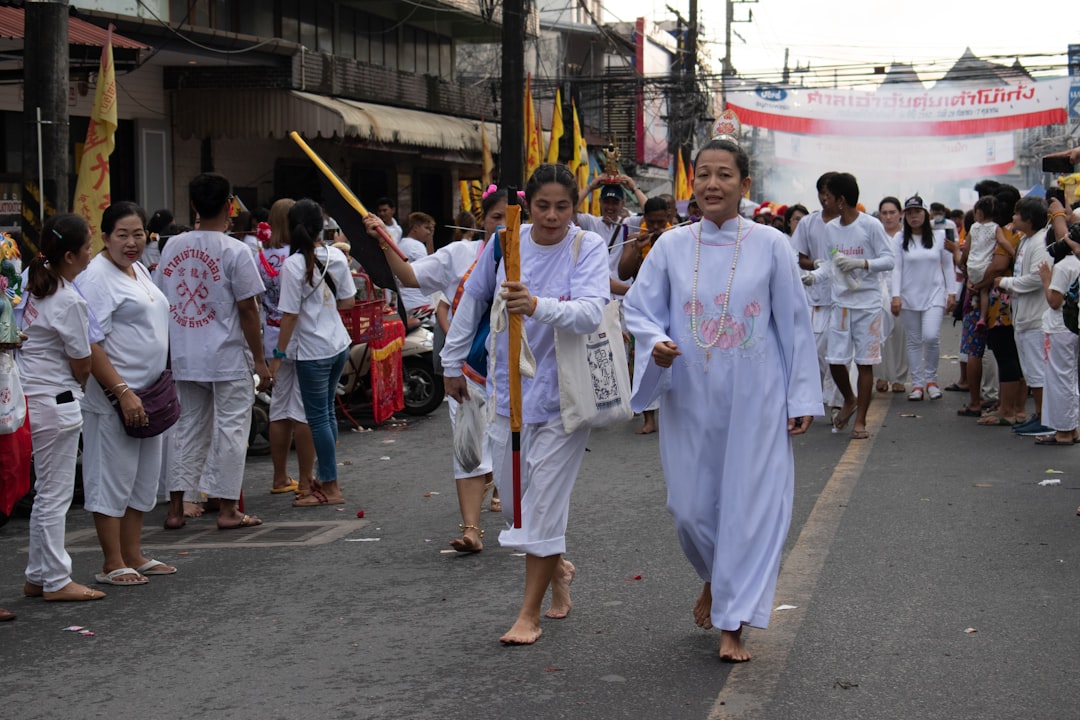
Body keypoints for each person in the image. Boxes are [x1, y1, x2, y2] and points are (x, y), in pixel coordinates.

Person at [623, 138, 821, 662]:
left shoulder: (772, 245)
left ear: (744, 185)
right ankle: (716, 577)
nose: (713, 183)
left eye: (725, 175)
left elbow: (795, 325)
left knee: (747, 508)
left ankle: (732, 620)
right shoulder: (669, 246)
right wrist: (654, 343)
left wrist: (801, 395)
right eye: (704, 174)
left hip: (756, 397)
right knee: (688, 509)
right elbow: (638, 310)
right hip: (689, 394)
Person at [442, 163, 610, 645]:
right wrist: (452, 365)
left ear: (575, 207)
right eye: (543, 206)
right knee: (517, 505)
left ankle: (527, 615)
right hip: (506, 394)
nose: (553, 216)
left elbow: (591, 310)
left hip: (564, 398)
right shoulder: (502, 244)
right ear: (526, 206)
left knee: (544, 506)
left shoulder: (587, 246)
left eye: (562, 206)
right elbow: (470, 305)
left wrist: (537, 305)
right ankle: (557, 567)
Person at [366, 188, 508, 549]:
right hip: (468, 370)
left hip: (518, 373)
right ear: (482, 221)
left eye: (513, 219)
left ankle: (526, 524)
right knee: (468, 447)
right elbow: (410, 277)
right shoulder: (459, 254)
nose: (505, 227)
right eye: (496, 219)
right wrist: (383, 240)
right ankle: (471, 530)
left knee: (514, 449)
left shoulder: (536, 258)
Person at [156, 173, 269, 530]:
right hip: (226, 355)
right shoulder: (236, 250)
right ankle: (227, 509)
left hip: (185, 354)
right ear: (229, 206)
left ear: (193, 206)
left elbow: (162, 301)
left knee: (186, 428)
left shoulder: (171, 246)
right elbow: (249, 310)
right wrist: (262, 361)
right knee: (232, 430)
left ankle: (176, 508)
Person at [79, 202, 177, 587]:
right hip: (115, 397)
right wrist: (121, 392)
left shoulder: (137, 268)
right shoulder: (96, 277)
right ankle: (111, 561)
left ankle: (134, 552)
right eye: (122, 234)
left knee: (142, 478)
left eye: (138, 234)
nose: (132, 242)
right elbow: (90, 343)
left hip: (150, 394)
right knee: (111, 476)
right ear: (104, 237)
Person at [17, 213, 105, 602]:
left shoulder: (28, 280)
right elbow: (81, 360)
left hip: (28, 398)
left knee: (44, 495)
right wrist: (80, 383)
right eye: (87, 248)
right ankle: (56, 579)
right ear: (69, 255)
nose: (91, 254)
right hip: (57, 400)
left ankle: (38, 575)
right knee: (54, 496)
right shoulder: (68, 298)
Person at [270, 199, 357, 507]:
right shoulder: (336, 255)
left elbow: (290, 315)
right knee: (328, 414)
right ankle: (324, 478)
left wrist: (278, 356)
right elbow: (347, 301)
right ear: (322, 226)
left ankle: (330, 487)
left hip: (312, 350)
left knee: (318, 417)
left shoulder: (293, 265)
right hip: (337, 345)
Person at [803, 172, 895, 440]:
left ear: (841, 199)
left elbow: (889, 260)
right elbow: (831, 264)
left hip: (867, 304)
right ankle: (849, 399)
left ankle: (861, 421)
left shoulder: (871, 226)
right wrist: (813, 276)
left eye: (827, 195)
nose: (823, 199)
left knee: (865, 363)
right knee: (834, 360)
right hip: (841, 303)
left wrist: (862, 263)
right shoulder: (830, 229)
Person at [260, 198, 317, 496]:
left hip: (269, 337)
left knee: (279, 410)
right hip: (297, 341)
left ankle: (279, 476)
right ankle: (306, 479)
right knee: (304, 410)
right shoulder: (299, 257)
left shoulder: (260, 254)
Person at [890, 196, 957, 401]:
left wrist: (951, 292)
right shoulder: (900, 239)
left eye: (917, 212)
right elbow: (897, 269)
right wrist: (895, 296)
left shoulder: (939, 237)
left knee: (930, 336)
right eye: (909, 213)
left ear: (926, 214)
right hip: (908, 297)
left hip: (934, 294)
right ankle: (917, 384)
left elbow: (947, 265)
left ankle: (931, 380)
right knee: (913, 341)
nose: (913, 216)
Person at [791, 172, 846, 417]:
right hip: (815, 296)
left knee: (838, 351)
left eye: (829, 193)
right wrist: (816, 265)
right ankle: (816, 397)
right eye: (821, 193)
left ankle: (837, 401)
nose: (824, 198)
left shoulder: (850, 223)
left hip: (845, 296)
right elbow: (798, 256)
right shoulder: (809, 223)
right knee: (815, 351)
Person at [996, 197, 1052, 434]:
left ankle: (1045, 420)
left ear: (1029, 219)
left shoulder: (1040, 243)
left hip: (1035, 319)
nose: (1013, 218)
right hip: (1023, 318)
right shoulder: (1027, 240)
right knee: (1031, 372)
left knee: (1038, 374)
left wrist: (1005, 282)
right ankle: (1039, 415)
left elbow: (1035, 279)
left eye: (1018, 214)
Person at [617, 196, 672, 435]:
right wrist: (637, 250)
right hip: (645, 306)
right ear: (645, 220)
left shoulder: (677, 238)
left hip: (672, 304)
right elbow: (623, 272)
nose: (657, 227)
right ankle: (649, 417)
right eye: (653, 223)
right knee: (643, 359)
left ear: (669, 218)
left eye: (662, 222)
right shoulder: (634, 236)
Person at [1035, 248, 1080, 445]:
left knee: (1059, 379)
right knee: (1069, 377)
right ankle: (1071, 428)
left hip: (1060, 326)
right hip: (1071, 326)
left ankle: (1063, 431)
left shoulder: (1063, 267)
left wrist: (1046, 278)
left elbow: (1054, 301)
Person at [875, 197, 910, 394]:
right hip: (879, 289)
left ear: (900, 214)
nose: (888, 217)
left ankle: (899, 376)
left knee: (900, 335)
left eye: (892, 212)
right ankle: (881, 375)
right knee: (880, 334)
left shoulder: (906, 237)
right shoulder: (875, 235)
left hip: (902, 290)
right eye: (884, 213)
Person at [965, 196, 1012, 331]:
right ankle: (982, 318)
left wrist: (963, 263)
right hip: (985, 267)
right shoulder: (996, 228)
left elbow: (967, 249)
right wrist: (1014, 253)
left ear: (979, 212)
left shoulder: (973, 227)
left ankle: (974, 302)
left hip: (972, 267)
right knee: (984, 291)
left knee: (974, 287)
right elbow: (1003, 242)